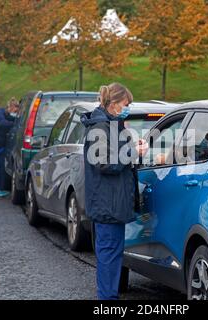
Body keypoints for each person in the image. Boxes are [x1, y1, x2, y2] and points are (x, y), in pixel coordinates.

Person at [81, 83, 148, 300]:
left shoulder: (111, 124)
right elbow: (105, 162)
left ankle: (108, 297)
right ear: (114, 104)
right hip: (106, 204)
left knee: (111, 254)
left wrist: (131, 145)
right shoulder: (99, 127)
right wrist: (132, 151)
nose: (128, 107)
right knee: (109, 255)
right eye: (126, 104)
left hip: (111, 203)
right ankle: (107, 300)